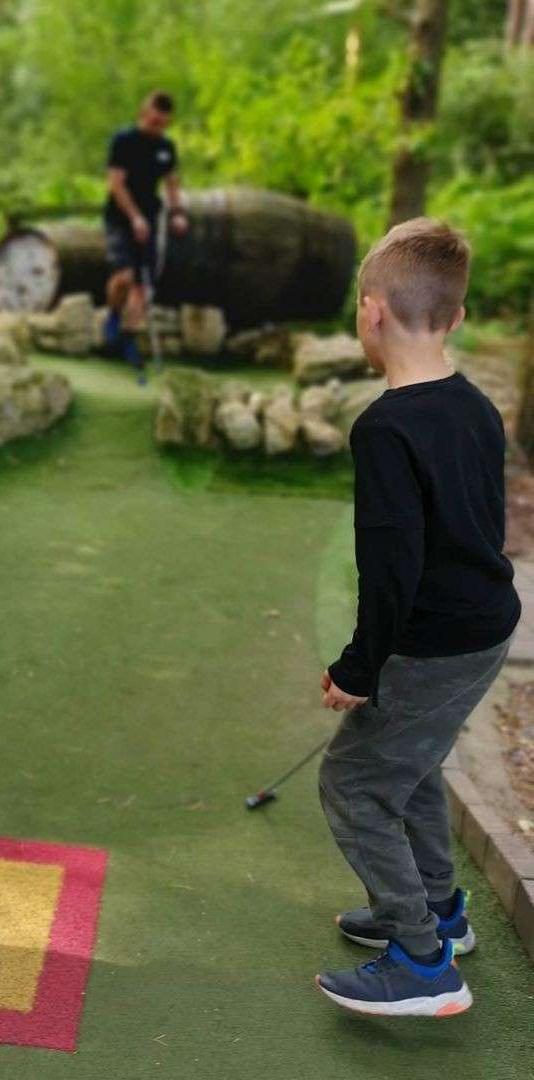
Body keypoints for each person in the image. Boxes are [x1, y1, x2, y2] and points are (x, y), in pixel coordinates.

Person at [314, 219, 520, 1017]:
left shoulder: (386, 429)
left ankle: (424, 961)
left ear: (370, 313)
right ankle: (440, 908)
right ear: (458, 316)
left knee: (355, 783)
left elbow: (390, 572)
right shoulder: (475, 405)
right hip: (483, 625)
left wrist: (358, 670)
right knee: (412, 762)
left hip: (440, 642)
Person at [101, 90, 188, 380]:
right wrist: (134, 217)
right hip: (120, 217)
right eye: (153, 120)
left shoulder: (166, 148)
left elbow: (172, 183)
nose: (157, 126)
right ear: (143, 113)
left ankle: (127, 337)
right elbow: (115, 184)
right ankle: (113, 316)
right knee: (124, 277)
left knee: (143, 286)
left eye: (162, 123)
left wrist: (177, 213)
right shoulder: (123, 141)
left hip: (150, 220)